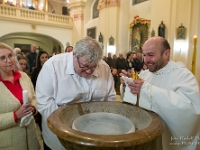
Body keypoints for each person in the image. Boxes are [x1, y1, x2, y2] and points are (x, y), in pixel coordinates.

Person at [120, 36, 200, 150]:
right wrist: (128, 85)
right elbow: (133, 103)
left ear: (166, 54)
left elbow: (190, 109)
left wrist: (147, 90)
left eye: (151, 55)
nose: (146, 60)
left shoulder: (183, 76)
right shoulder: (145, 74)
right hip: (145, 138)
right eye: (144, 55)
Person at [36, 37, 116, 150]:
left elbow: (110, 98)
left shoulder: (104, 67)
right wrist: (70, 125)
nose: (88, 72)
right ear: (74, 55)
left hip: (95, 135)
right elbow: (44, 103)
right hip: (60, 138)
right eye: (84, 66)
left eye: (93, 67)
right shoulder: (53, 66)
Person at [0, 42, 40, 150]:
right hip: (9, 143)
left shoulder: (23, 76)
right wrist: (15, 116)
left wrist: (33, 108)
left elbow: (34, 97)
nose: (9, 60)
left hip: (31, 138)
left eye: (10, 56)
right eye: (2, 58)